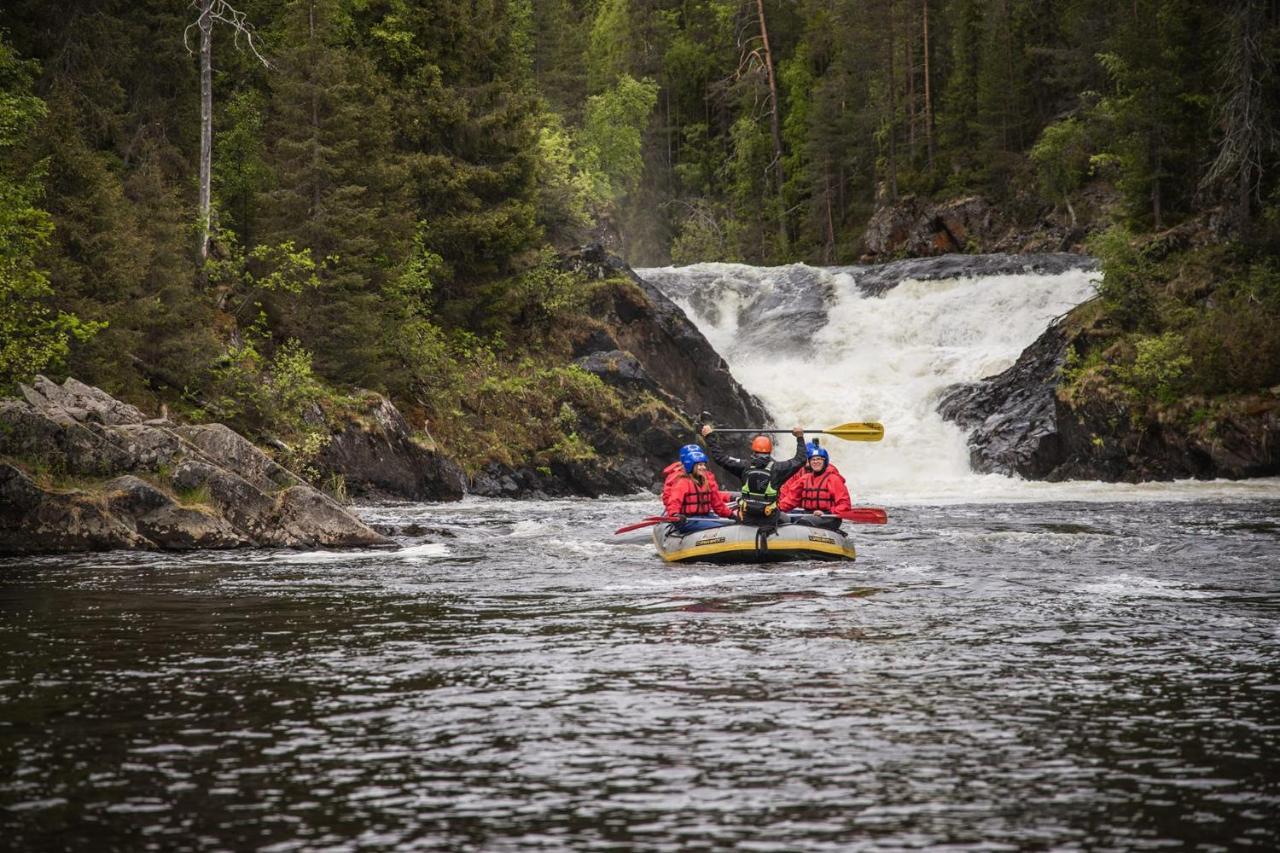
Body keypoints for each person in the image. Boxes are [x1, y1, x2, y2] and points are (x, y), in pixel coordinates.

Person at [701, 423, 806, 525]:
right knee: (787, 520)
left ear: (753, 450)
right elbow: (800, 460)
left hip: (747, 517)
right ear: (770, 451)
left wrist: (710, 437)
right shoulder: (778, 469)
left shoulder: (744, 467)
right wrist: (800, 437)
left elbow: (720, 458)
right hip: (770, 518)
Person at [778, 440, 852, 530]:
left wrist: (827, 512)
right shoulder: (804, 479)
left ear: (825, 461)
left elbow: (845, 505)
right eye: (813, 459)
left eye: (819, 459)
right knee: (780, 518)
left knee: (803, 522)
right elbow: (791, 499)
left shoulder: (834, 479)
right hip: (808, 514)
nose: (815, 462)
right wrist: (776, 509)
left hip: (828, 517)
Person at [663, 444, 733, 525]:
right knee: (718, 527)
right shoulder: (682, 482)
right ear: (690, 465)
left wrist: (731, 515)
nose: (704, 467)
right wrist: (674, 514)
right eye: (700, 465)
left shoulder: (706, 480)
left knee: (727, 524)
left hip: (705, 516)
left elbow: (717, 502)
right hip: (688, 519)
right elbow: (673, 501)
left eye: (703, 464)